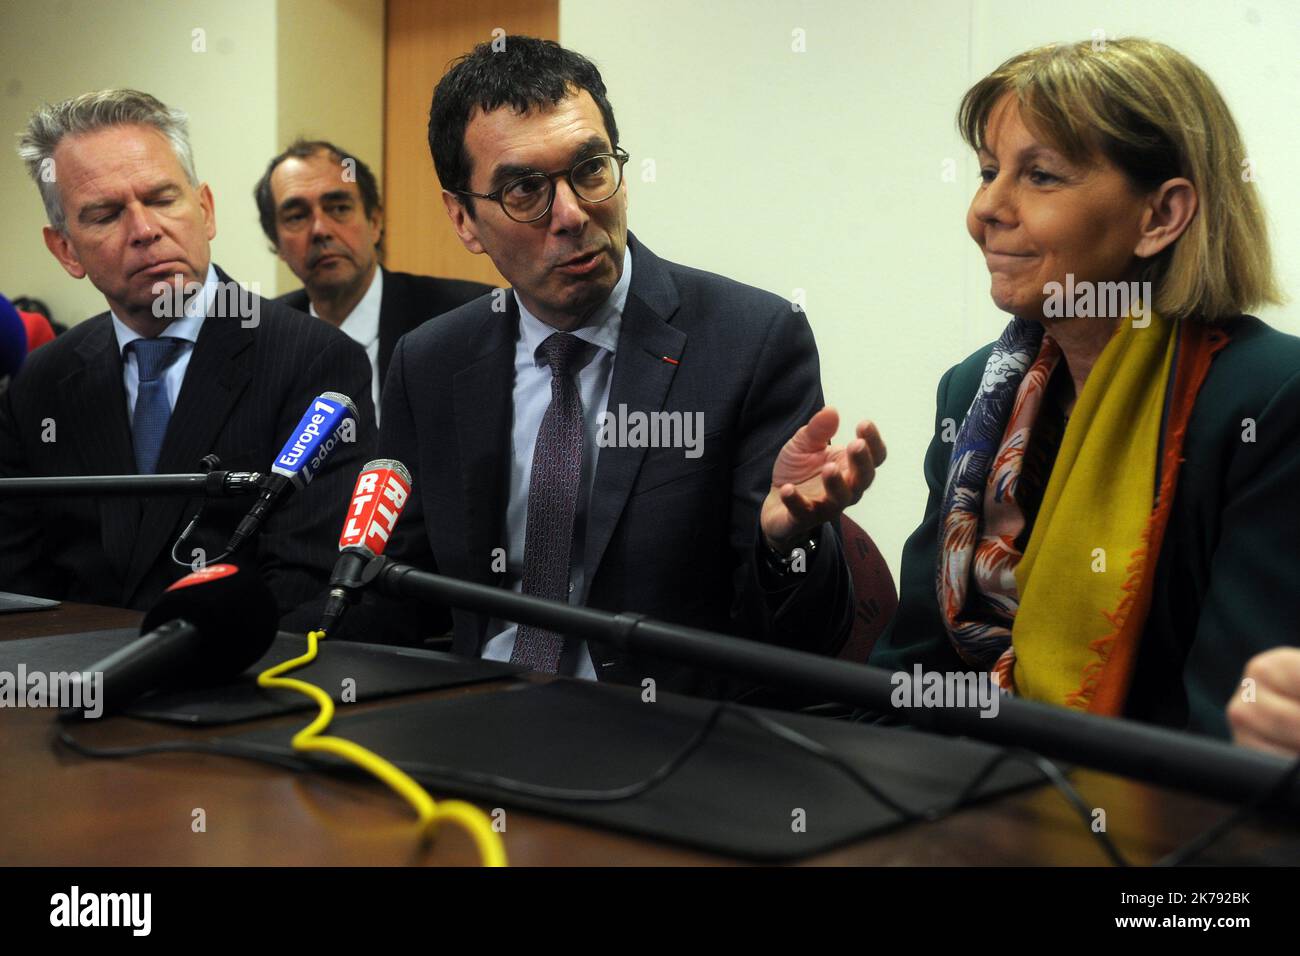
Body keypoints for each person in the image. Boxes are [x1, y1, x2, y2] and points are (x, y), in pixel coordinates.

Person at [365, 37, 877, 695]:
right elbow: (394, 599)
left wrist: (788, 546)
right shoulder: (430, 362)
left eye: (591, 169)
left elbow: (801, 638)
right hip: (476, 718)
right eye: (525, 189)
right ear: (464, 219)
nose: (574, 214)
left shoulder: (750, 343)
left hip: (664, 739)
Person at [860, 38, 1299, 748]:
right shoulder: (974, 391)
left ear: (1161, 216)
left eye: (1041, 177)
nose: (986, 210)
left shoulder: (1271, 399)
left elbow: (1236, 731)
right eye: (988, 172)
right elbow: (909, 672)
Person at [0, 89, 375, 618]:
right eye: (106, 214)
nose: (146, 230)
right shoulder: (41, 382)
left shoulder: (312, 358)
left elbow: (307, 583)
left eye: (161, 199)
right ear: (65, 249)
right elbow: (20, 586)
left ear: (204, 210)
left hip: (238, 680)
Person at [254, 140, 492, 419]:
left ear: (375, 222)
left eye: (339, 208)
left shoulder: (465, 317)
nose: (320, 230)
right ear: (276, 243)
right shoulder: (263, 339)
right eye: (296, 216)